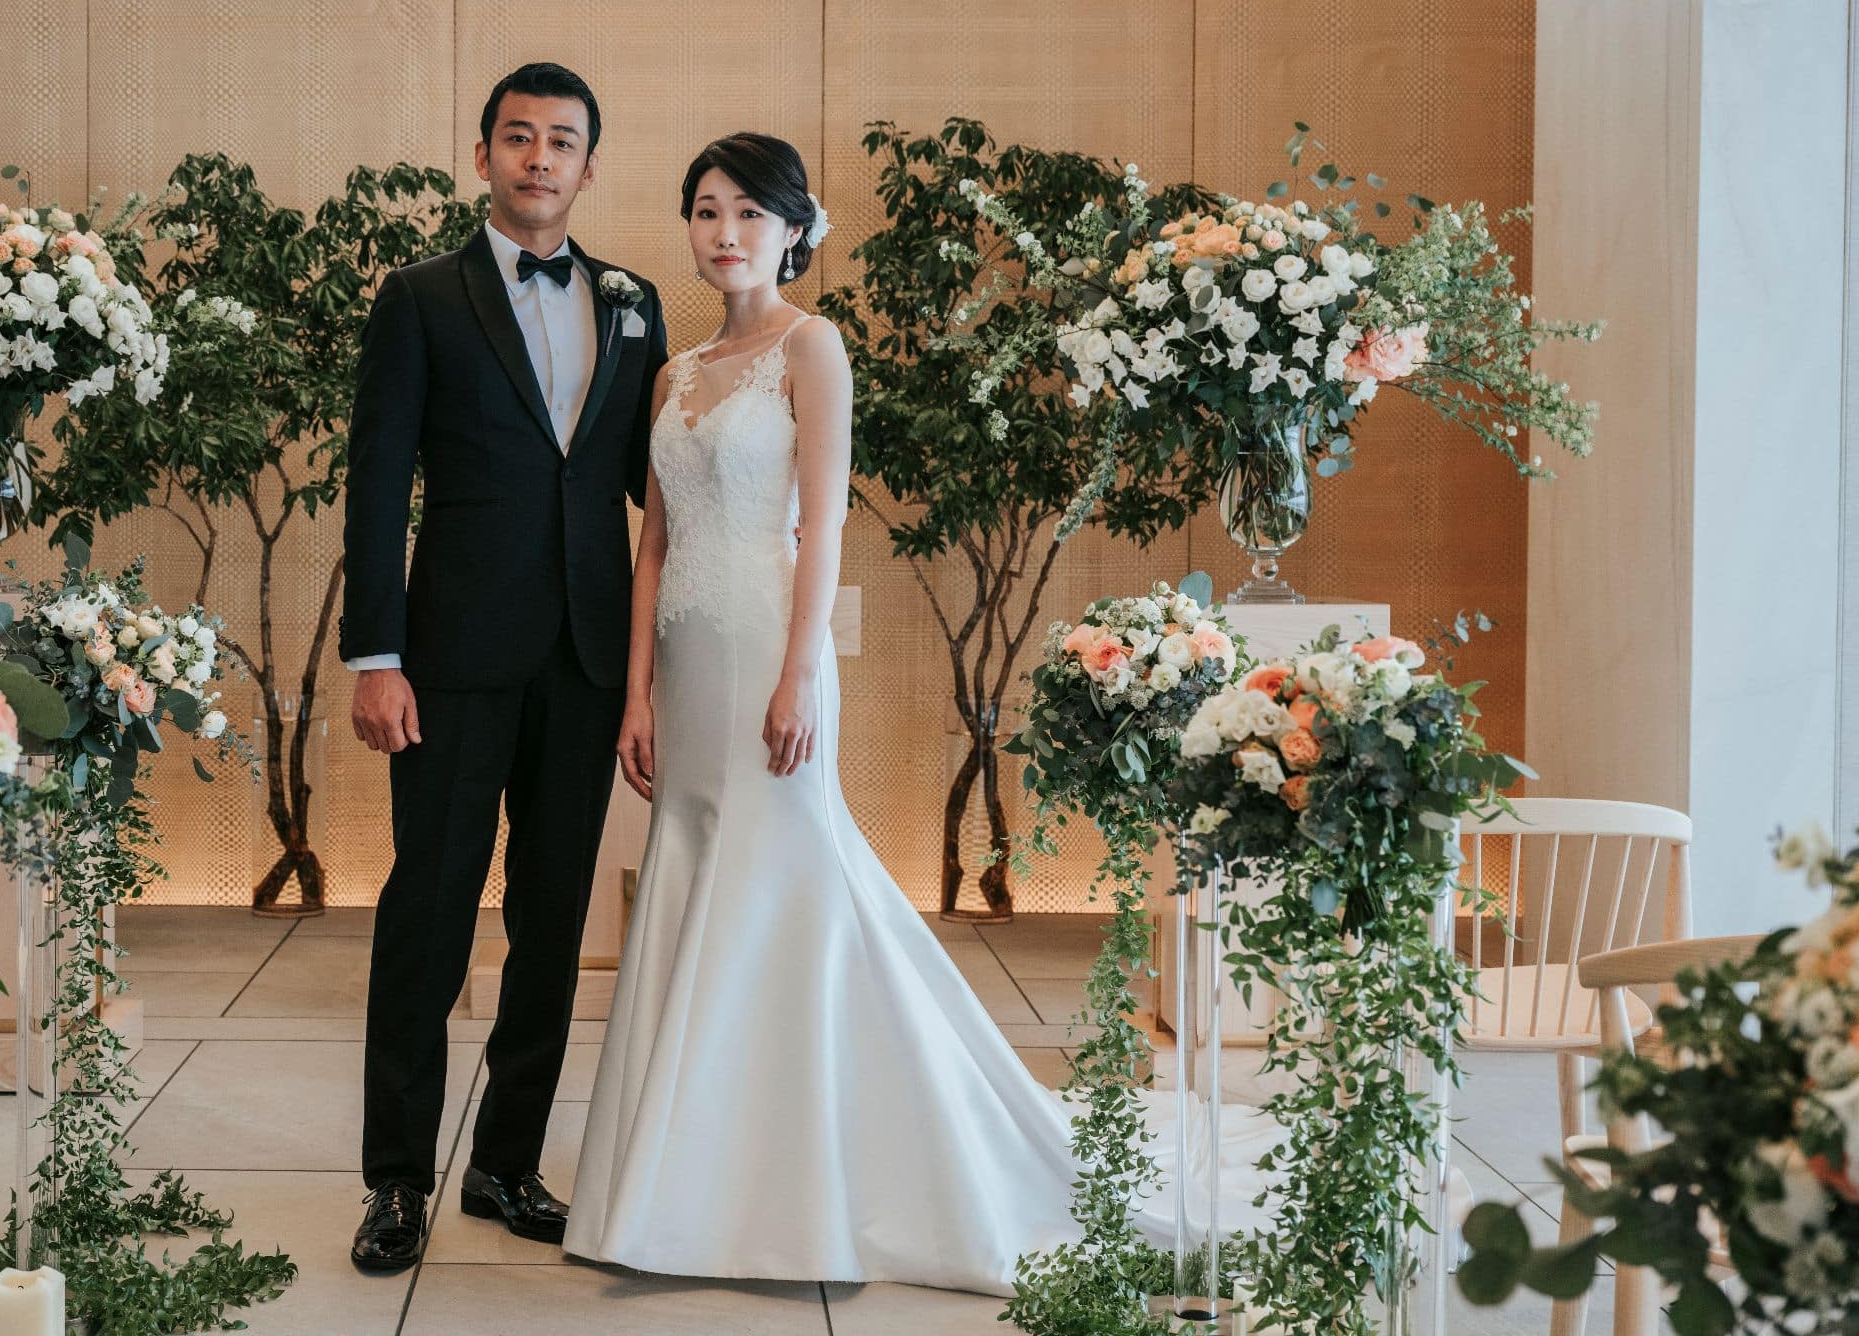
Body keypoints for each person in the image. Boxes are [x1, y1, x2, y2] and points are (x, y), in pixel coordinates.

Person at [561, 132, 1275, 1294]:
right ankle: (679, 1183)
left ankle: (796, 1182)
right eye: (704, 210)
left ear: (794, 229)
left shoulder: (813, 347)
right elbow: (650, 548)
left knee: (784, 881)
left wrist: (801, 673)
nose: (723, 231)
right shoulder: (672, 372)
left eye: (748, 211)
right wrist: (634, 691)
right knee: (696, 883)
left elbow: (824, 526)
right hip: (686, 666)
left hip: (768, 654)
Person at [338, 62, 671, 1272]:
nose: (540, 159)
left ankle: (505, 1162)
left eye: (563, 142)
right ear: (482, 156)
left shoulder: (634, 303)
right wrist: (376, 656)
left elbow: (656, 491)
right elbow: (377, 486)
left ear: (588, 165)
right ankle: (392, 1179)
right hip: (450, 659)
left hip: (584, 663)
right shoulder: (419, 296)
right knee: (426, 912)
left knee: (552, 919)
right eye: (518, 138)